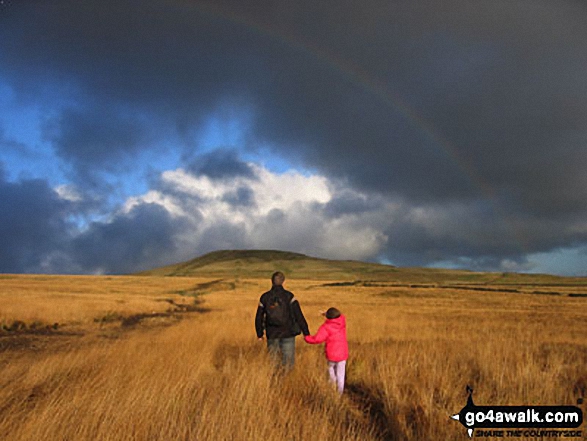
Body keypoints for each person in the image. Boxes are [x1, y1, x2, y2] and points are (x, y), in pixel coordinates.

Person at [255, 271, 309, 368]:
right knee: (288, 363)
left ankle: (275, 381)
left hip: (272, 333)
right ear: (283, 281)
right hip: (288, 333)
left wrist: (259, 334)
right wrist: (306, 333)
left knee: (273, 362)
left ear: (271, 281)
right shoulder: (289, 296)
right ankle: (286, 381)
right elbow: (299, 315)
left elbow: (259, 317)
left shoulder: (265, 297)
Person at [304, 307, 348, 394]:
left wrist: (307, 338)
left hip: (331, 354)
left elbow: (317, 339)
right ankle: (339, 394)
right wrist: (327, 313)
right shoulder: (342, 322)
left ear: (328, 317)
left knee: (331, 370)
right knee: (341, 375)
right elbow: (341, 316)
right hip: (343, 354)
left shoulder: (326, 327)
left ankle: (332, 390)